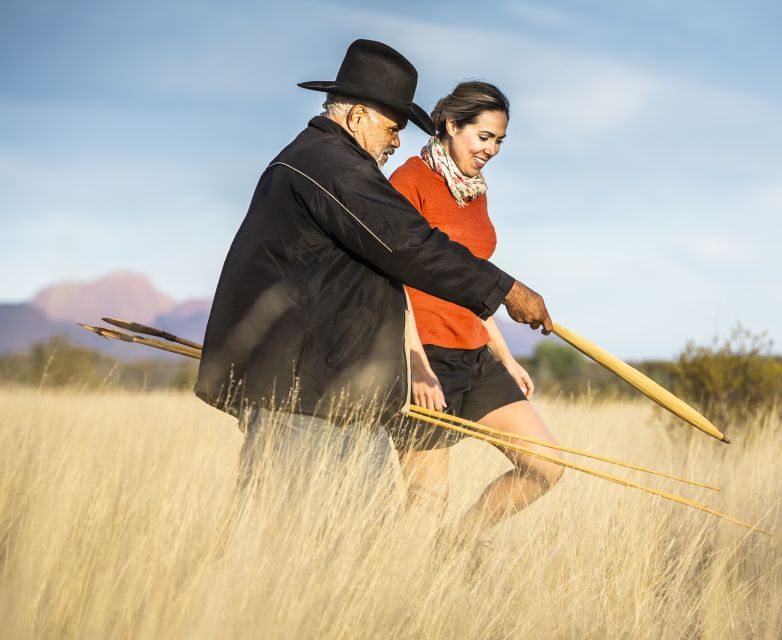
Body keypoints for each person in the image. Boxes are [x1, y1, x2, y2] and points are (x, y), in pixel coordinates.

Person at [194, 41, 553, 483]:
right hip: (297, 394)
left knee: (364, 534)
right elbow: (411, 245)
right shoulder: (330, 165)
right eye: (392, 126)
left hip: (331, 391)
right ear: (357, 115)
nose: (397, 140)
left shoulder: (325, 161)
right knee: (287, 532)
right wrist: (506, 290)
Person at [389, 82, 564, 544]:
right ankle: (393, 599)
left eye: (499, 141)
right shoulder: (408, 182)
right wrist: (415, 362)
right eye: (483, 137)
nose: (492, 150)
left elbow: (475, 281)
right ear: (451, 125)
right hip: (425, 356)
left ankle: (456, 545)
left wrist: (505, 356)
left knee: (545, 465)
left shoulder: (474, 191)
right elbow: (391, 279)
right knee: (427, 505)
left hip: (475, 355)